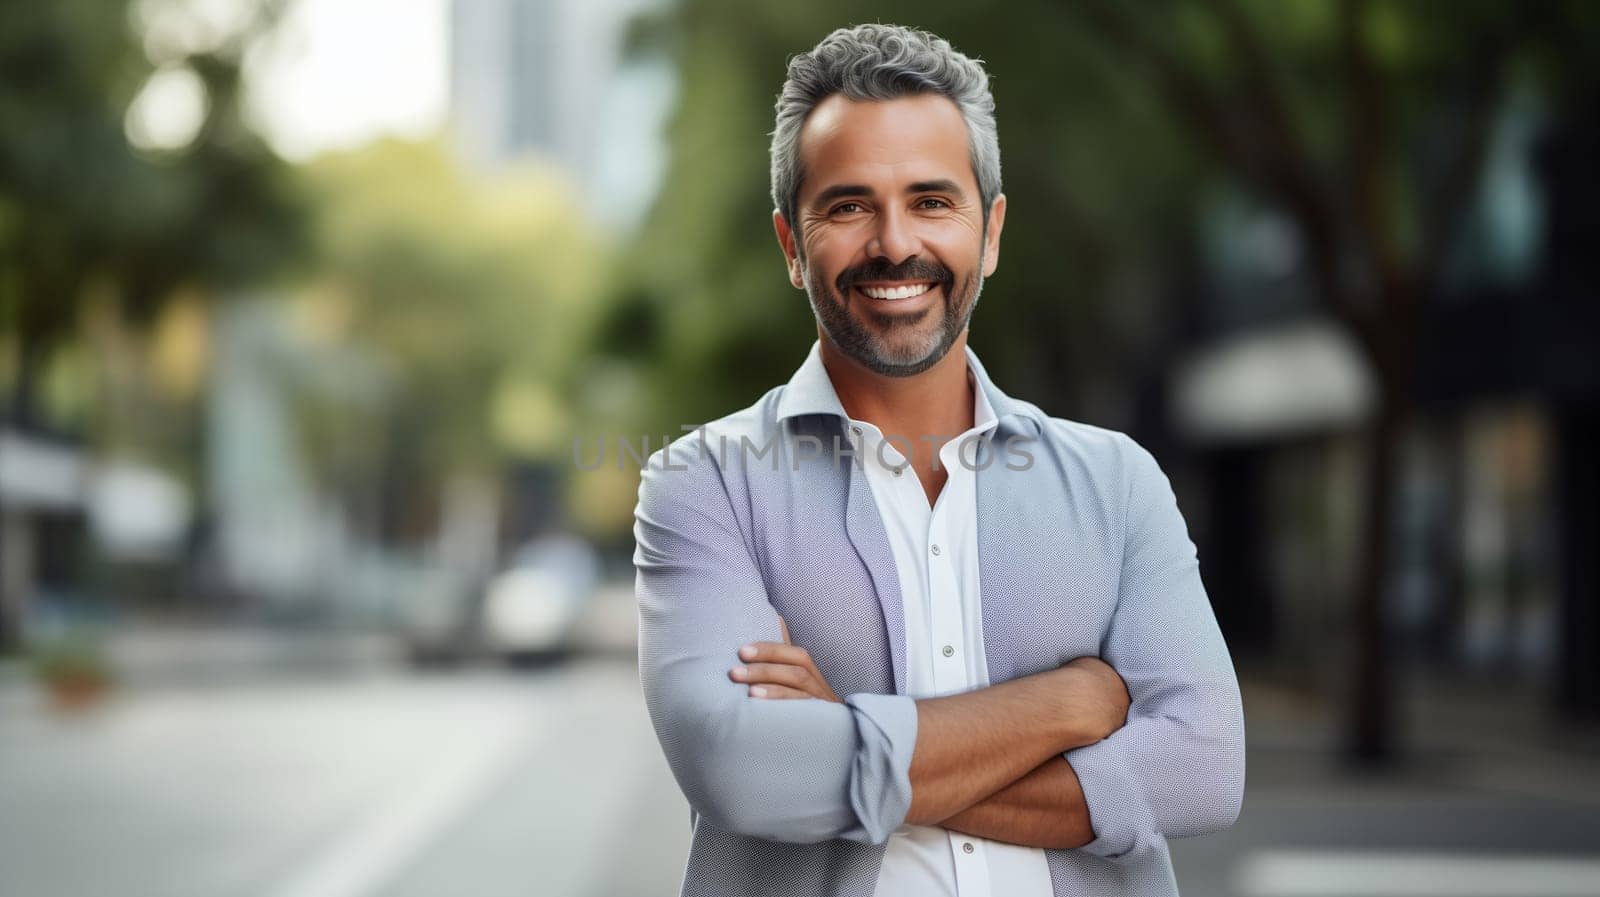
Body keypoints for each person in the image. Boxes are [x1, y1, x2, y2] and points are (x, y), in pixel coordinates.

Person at [632, 23, 1244, 897]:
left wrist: (842, 736)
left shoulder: (1119, 482)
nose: (893, 244)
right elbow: (746, 772)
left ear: (989, 232)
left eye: (931, 201)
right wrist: (1064, 706)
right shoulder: (705, 484)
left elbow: (1204, 764)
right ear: (790, 248)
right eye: (848, 206)